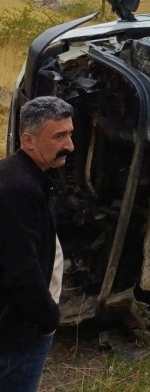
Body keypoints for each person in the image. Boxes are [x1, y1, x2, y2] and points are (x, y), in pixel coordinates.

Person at [0, 96, 73, 392]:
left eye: (70, 133)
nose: (70, 145)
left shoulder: (24, 176)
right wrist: (48, 318)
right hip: (16, 334)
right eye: (59, 136)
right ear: (28, 141)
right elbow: (20, 268)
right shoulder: (17, 188)